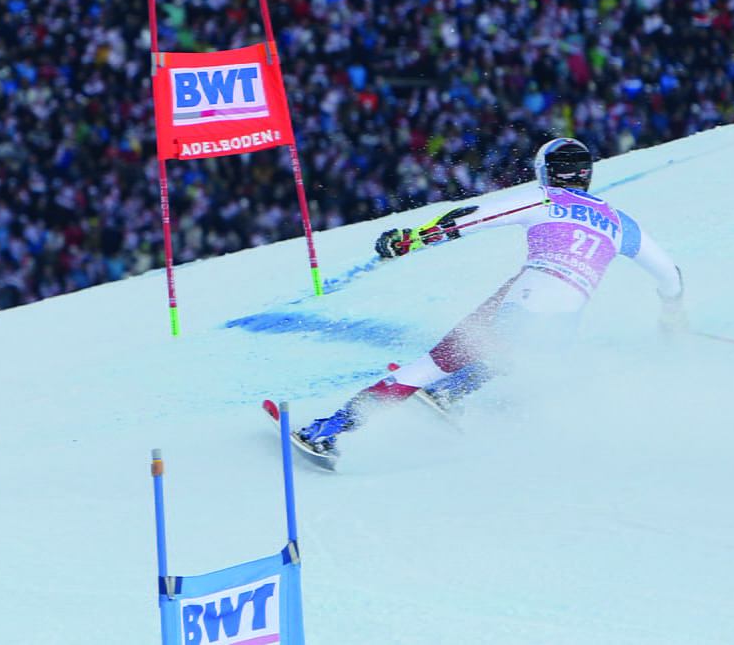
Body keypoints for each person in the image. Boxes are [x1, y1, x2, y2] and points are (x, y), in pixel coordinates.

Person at [292, 138, 686, 463]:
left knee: (429, 366)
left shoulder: (544, 199)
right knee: (514, 350)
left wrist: (410, 240)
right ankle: (453, 391)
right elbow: (671, 275)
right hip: (566, 321)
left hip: (527, 296)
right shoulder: (621, 223)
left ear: (546, 172)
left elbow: (469, 217)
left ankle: (326, 430)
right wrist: (671, 315)